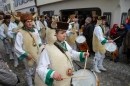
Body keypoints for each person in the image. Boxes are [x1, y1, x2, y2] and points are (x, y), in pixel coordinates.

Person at [35, 22, 89, 86]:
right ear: (54, 34)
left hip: (68, 78)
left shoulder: (64, 43)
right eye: (62, 33)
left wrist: (82, 54)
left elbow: (71, 53)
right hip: (57, 83)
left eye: (65, 32)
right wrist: (53, 74)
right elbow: (40, 68)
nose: (65, 35)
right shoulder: (47, 49)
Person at [14, 13, 42, 86]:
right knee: (29, 71)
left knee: (36, 70)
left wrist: (41, 47)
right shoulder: (20, 33)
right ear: (24, 23)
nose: (30, 23)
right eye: (28, 21)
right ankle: (30, 84)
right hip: (27, 55)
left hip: (36, 54)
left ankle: (36, 82)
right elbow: (17, 47)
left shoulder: (35, 30)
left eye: (31, 21)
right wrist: (26, 54)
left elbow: (39, 40)